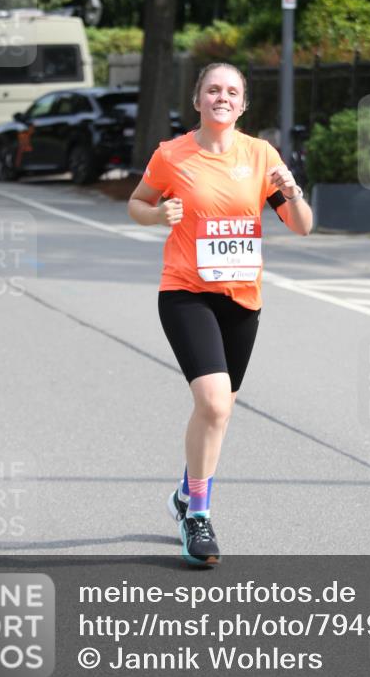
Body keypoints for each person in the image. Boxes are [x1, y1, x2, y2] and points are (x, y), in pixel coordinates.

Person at [128, 62, 312, 565]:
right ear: (198, 100)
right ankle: (199, 516)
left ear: (243, 104)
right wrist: (156, 213)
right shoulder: (172, 155)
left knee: (222, 409)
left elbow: (301, 226)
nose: (222, 97)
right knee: (212, 403)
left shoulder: (260, 155)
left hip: (242, 300)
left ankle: (187, 490)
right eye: (213, 90)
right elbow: (137, 202)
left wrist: (292, 188)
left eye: (232, 91)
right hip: (186, 292)